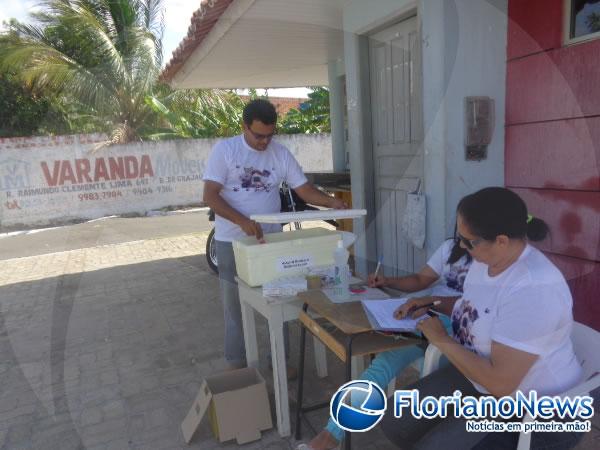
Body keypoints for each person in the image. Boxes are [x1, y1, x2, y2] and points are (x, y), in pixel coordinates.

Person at [379, 187, 583, 450]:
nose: (461, 246)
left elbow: (501, 384)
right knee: (397, 419)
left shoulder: (534, 289)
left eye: (469, 241)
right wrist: (433, 302)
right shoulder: (486, 262)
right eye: (460, 237)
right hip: (483, 379)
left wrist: (441, 340)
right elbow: (476, 307)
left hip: (534, 409)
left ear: (501, 240)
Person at [202, 99, 346, 371]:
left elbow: (304, 190)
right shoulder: (226, 151)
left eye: (270, 135)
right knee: (234, 305)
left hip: (270, 242)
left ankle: (280, 361)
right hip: (231, 241)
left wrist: (331, 202)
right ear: (244, 126)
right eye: (258, 136)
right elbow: (209, 195)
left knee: (279, 299)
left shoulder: (280, 154)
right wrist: (242, 221)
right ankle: (238, 365)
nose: (264, 142)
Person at [300, 236, 473, 450]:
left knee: (397, 364)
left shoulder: (496, 262)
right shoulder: (451, 247)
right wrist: (389, 281)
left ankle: (331, 437)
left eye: (469, 234)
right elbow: (421, 280)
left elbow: (475, 305)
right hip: (423, 313)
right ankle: (332, 434)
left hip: (457, 326)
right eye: (461, 232)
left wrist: (431, 302)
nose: (463, 240)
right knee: (382, 360)